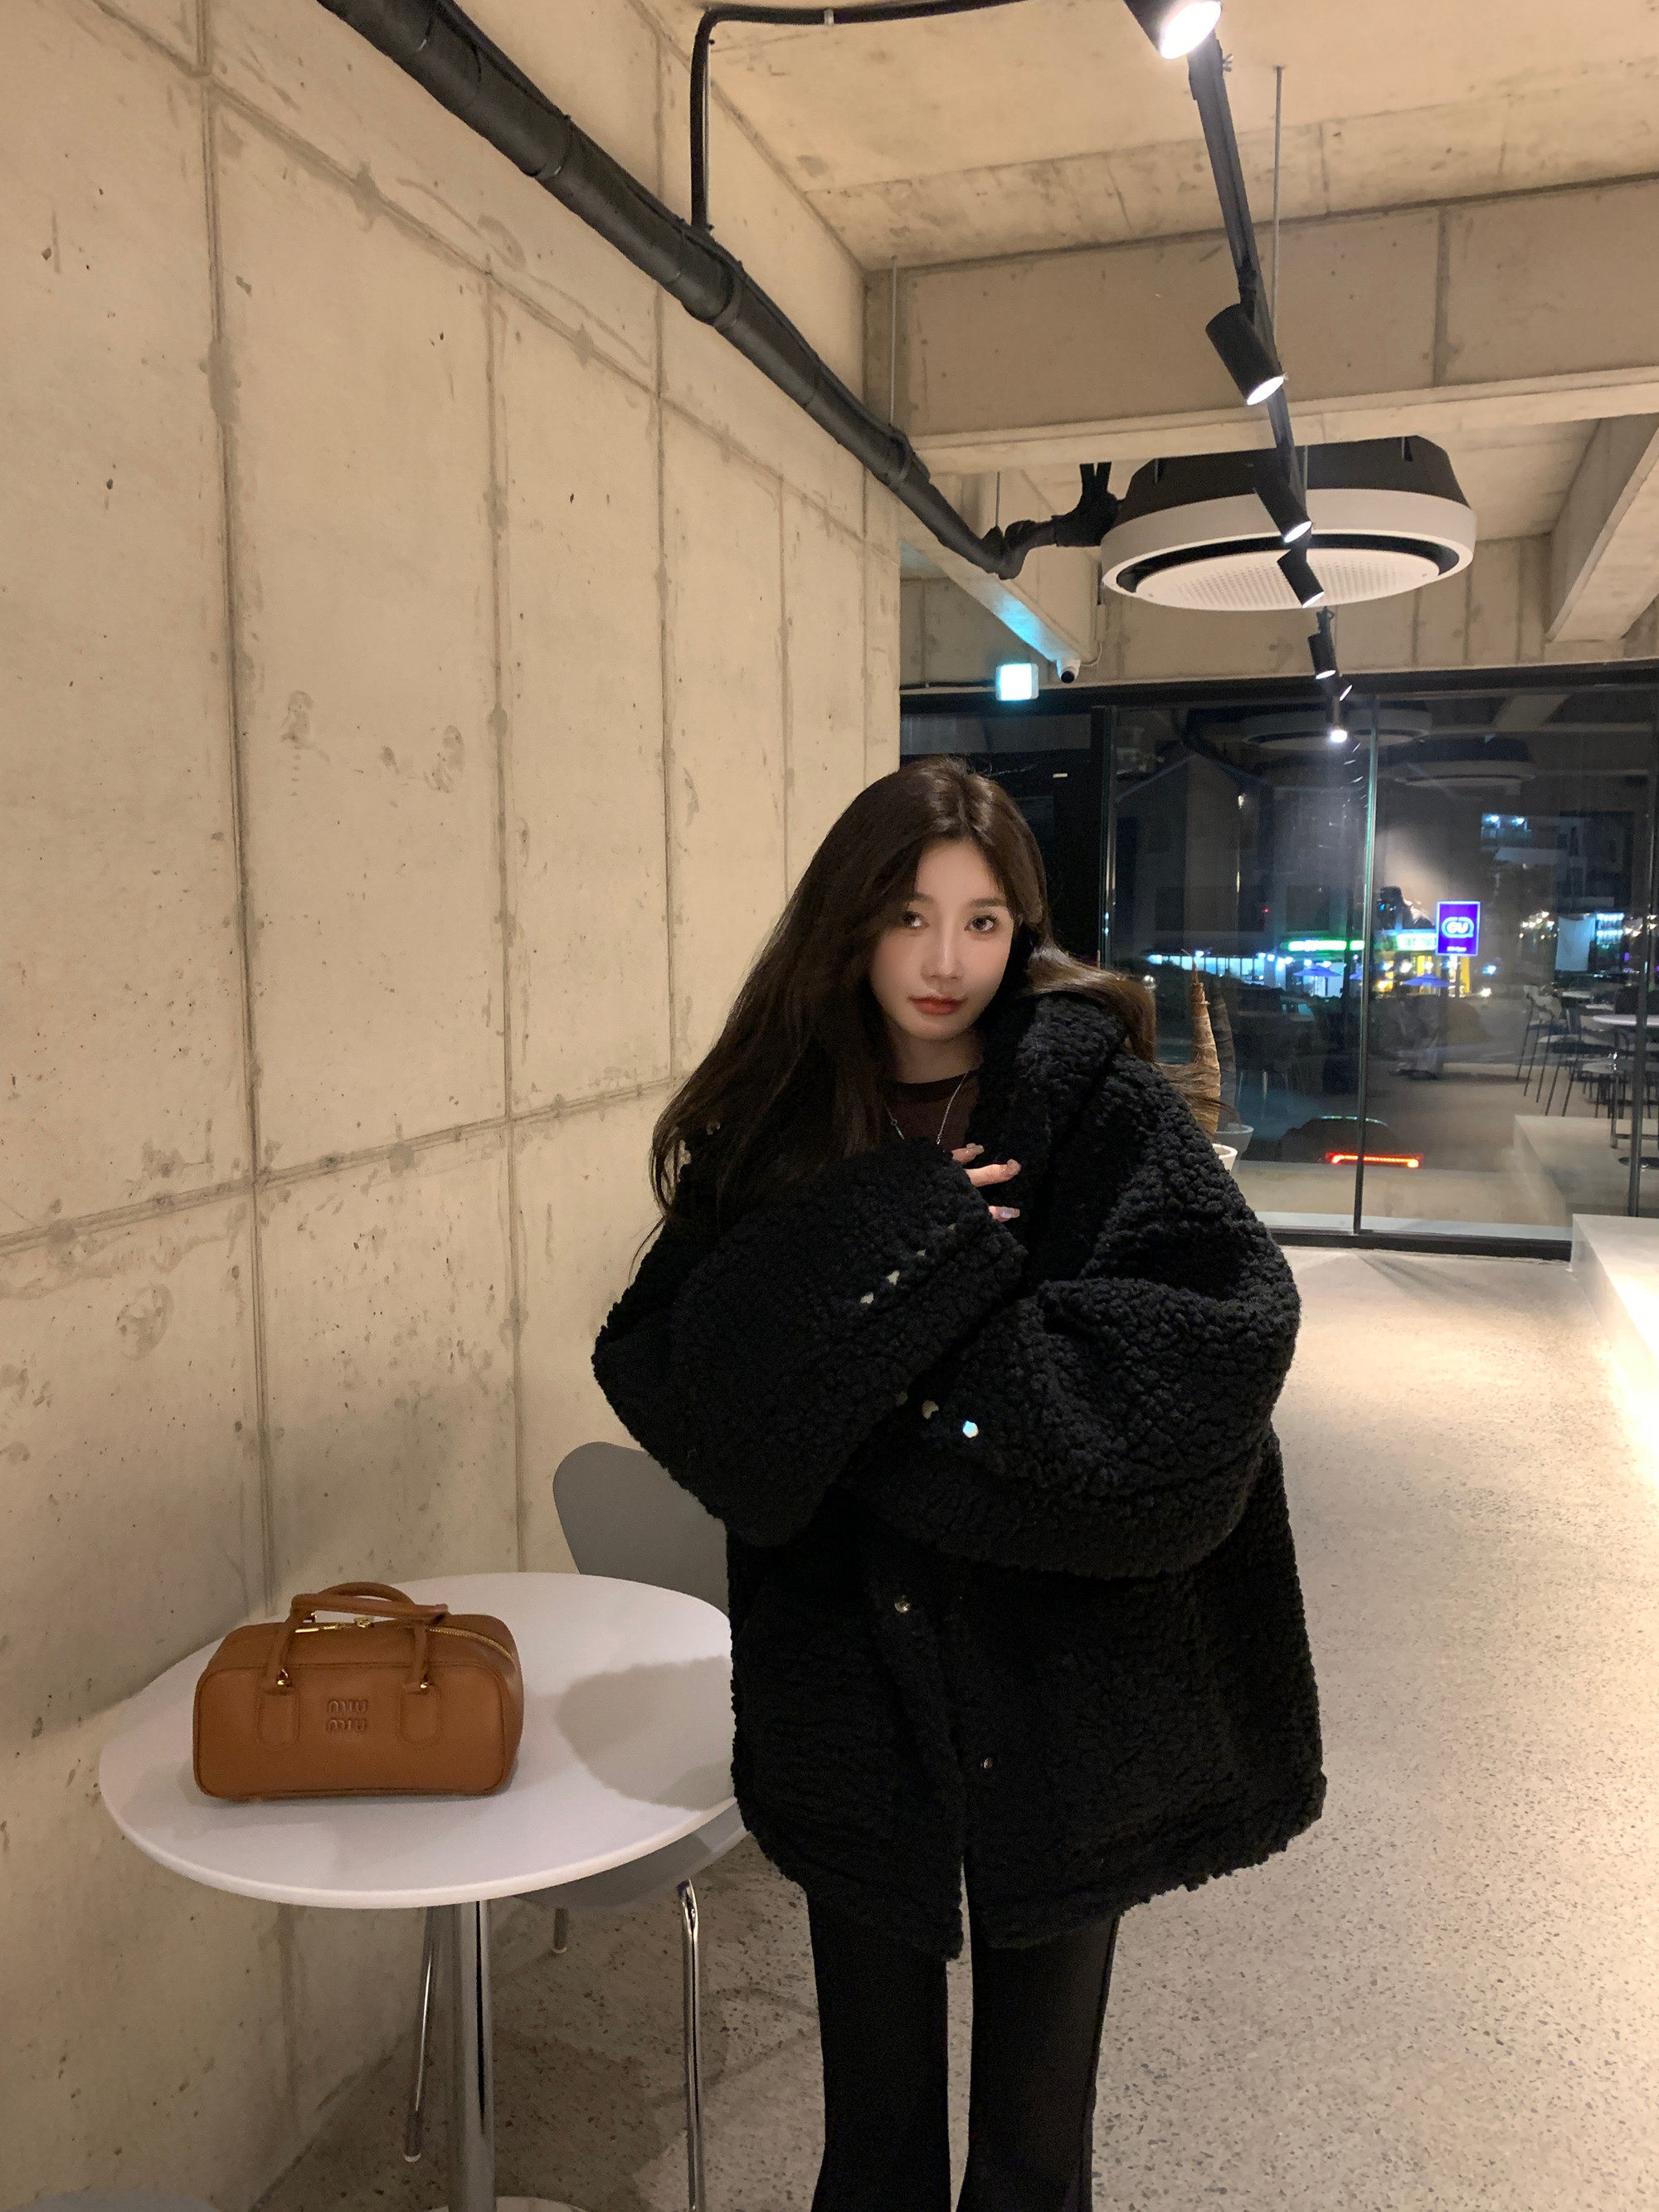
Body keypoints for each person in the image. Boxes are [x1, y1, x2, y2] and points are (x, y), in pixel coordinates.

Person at [591, 755, 1326, 2211]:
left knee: (1034, 2160)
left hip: (1067, 1690)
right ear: (851, 922)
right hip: (848, 1683)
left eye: (983, 920)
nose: (945, 961)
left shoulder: (1093, 1100)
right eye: (910, 916)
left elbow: (1210, 1355)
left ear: (1021, 928)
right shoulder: (782, 1124)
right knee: (873, 2152)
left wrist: (876, 1397)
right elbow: (680, 1373)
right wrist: (900, 1230)